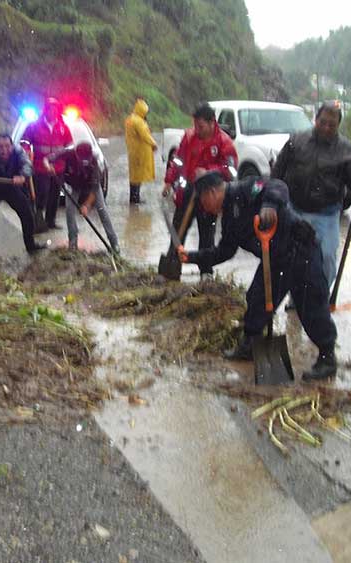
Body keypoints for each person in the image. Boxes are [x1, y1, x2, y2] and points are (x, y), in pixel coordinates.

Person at [178, 172, 338, 381]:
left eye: (202, 201)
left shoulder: (246, 188)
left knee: (311, 307)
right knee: (256, 299)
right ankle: (249, 346)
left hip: (301, 251)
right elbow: (224, 252)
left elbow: (277, 185)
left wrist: (269, 206)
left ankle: (327, 358)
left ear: (213, 192)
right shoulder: (228, 218)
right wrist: (190, 257)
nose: (203, 207)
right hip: (274, 258)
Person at [271, 101, 351, 290]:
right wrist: (272, 197)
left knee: (327, 257)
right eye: (322, 122)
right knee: (292, 257)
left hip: (327, 214)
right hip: (295, 209)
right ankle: (296, 296)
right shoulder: (296, 141)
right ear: (316, 119)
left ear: (338, 125)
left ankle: (319, 297)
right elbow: (278, 170)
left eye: (331, 125)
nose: (326, 128)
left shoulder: (346, 150)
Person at [163, 102, 238, 274]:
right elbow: (178, 160)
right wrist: (169, 180)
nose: (197, 129)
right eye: (195, 125)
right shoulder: (189, 137)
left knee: (207, 238)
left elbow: (231, 171)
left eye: (201, 126)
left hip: (208, 198)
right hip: (187, 193)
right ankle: (171, 270)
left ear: (212, 122)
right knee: (177, 233)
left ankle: (206, 275)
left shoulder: (224, 142)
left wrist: (209, 171)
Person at [0, 133, 45, 255]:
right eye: (0, 147)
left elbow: (27, 165)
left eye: (7, 146)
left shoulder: (19, 153)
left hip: (12, 188)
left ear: (12, 146)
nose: (4, 150)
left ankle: (31, 245)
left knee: (27, 214)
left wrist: (23, 176)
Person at [56, 142, 120, 253]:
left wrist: (86, 205)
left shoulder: (94, 161)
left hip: (91, 186)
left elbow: (95, 188)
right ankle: (73, 242)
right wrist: (47, 164)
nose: (85, 162)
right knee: (69, 210)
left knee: (102, 210)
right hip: (74, 185)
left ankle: (114, 243)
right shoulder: (68, 153)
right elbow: (49, 158)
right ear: (76, 154)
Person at [21, 97, 74, 233]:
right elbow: (25, 143)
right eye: (50, 109)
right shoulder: (34, 127)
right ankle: (38, 219)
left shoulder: (63, 127)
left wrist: (67, 161)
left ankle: (51, 221)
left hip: (58, 168)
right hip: (40, 167)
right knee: (41, 194)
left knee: (55, 195)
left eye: (55, 109)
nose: (53, 112)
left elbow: (69, 146)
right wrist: (27, 154)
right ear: (45, 111)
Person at [124, 97, 157, 205]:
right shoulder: (138, 121)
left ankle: (134, 197)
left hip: (133, 151)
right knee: (137, 176)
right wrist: (154, 143)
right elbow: (145, 135)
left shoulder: (130, 119)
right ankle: (135, 198)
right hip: (139, 152)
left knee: (134, 175)